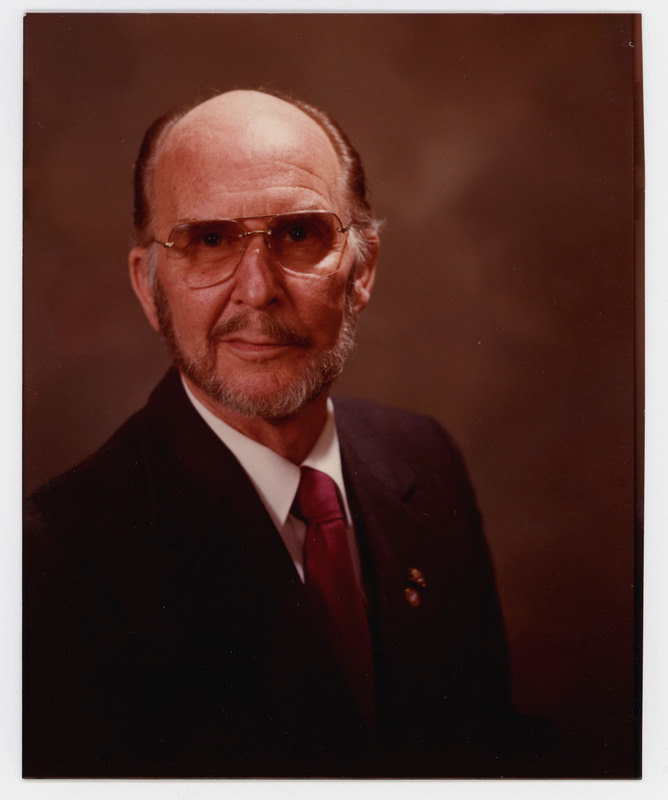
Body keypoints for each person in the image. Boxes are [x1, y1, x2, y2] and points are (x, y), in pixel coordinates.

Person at [23, 89, 556, 779]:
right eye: (208, 240)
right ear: (148, 287)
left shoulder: (423, 457)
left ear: (361, 270)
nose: (257, 289)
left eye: (299, 234)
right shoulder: (54, 559)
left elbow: (487, 752)